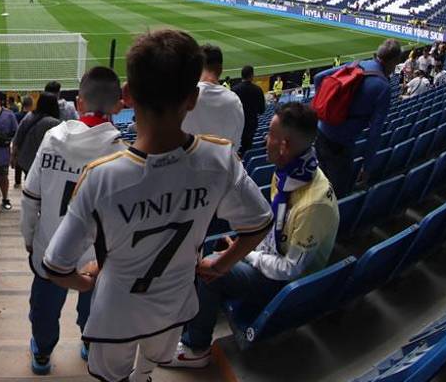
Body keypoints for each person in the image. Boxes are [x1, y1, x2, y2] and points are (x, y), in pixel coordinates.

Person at [43, 30, 274, 382]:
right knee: (148, 365)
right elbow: (259, 223)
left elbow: (55, 267)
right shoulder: (220, 158)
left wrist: (88, 280)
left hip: (116, 312)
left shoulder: (102, 178)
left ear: (128, 96)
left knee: (112, 375)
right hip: (175, 305)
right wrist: (222, 263)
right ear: (193, 99)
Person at [169, 103, 339, 367]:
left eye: (269, 133)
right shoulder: (293, 172)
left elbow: (290, 270)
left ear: (284, 145)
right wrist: (241, 249)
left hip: (284, 284)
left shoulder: (312, 205)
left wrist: (247, 256)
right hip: (271, 254)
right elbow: (274, 227)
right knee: (217, 248)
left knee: (206, 273)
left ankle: (196, 347)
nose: (264, 138)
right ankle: (195, 316)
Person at [21, 71, 125, 373]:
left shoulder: (52, 139)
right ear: (118, 105)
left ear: (79, 103)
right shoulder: (121, 153)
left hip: (49, 246)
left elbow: (30, 198)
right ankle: (90, 343)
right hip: (95, 256)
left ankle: (42, 353)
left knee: (44, 308)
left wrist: (29, 237)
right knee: (93, 302)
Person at [312, 39, 403, 197]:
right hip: (340, 144)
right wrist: (367, 167)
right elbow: (375, 132)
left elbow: (319, 77)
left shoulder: (357, 65)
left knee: (318, 184)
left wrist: (324, 105)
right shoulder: (383, 88)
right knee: (337, 194)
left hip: (320, 133)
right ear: (393, 61)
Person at [181, 45, 244, 148]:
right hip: (224, 162)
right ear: (221, 69)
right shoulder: (234, 101)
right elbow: (235, 144)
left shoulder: (184, 99)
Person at [14, 92, 63, 182]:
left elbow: (18, 136)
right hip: (44, 163)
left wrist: (14, 155)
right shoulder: (54, 123)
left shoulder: (29, 116)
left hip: (26, 160)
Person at [234, 65, 266, 156]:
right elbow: (261, 110)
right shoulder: (258, 90)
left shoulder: (235, 89)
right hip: (251, 124)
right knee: (247, 144)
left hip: (238, 124)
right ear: (252, 75)